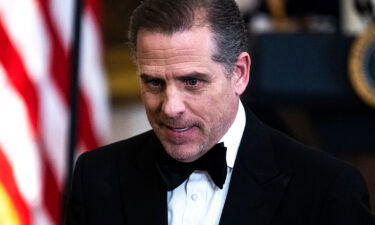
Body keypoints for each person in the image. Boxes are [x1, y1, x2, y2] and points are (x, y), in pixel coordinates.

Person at [64, 0, 375, 224]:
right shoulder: (97, 176)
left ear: (238, 73)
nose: (171, 107)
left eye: (193, 82)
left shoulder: (326, 189)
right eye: (154, 83)